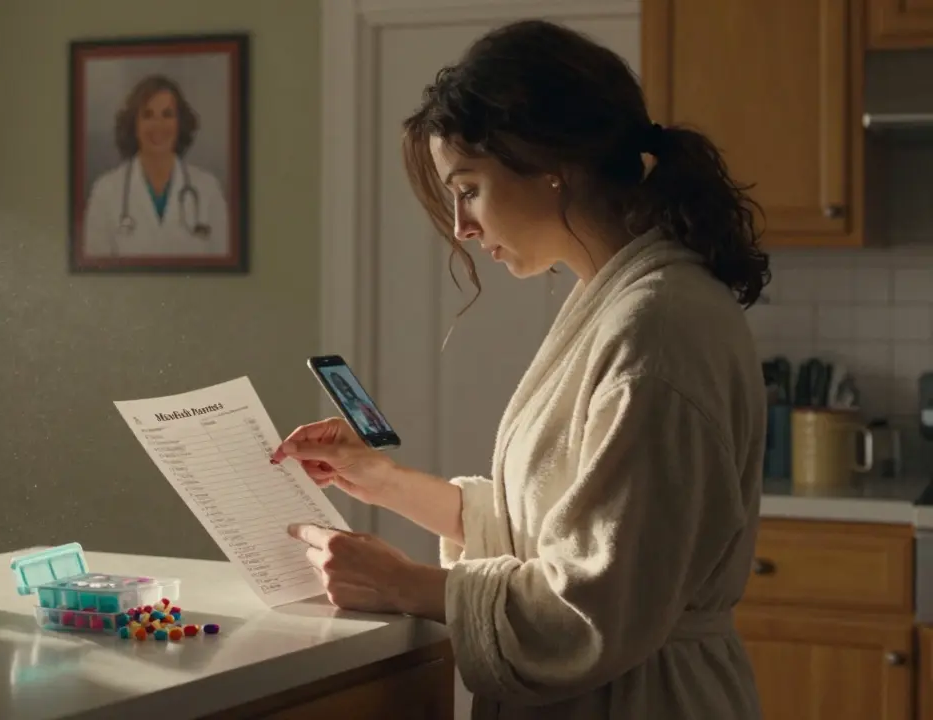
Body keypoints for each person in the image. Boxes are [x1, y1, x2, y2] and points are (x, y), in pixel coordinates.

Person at [272, 19, 769, 720]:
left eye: (468, 188)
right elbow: (545, 531)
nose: (461, 227)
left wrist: (409, 585)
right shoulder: (617, 303)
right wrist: (380, 478)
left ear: (546, 163)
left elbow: (594, 607)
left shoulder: (656, 329)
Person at [82, 74, 229, 258]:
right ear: (133, 125)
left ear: (180, 123)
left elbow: (227, 271)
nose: (158, 125)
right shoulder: (105, 190)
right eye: (148, 115)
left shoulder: (208, 189)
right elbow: (93, 276)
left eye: (167, 115)